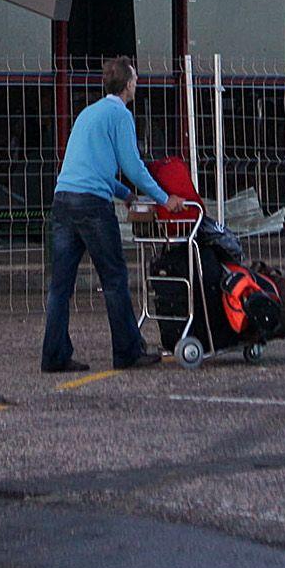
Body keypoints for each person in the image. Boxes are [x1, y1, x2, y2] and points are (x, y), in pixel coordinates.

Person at [42, 57, 169, 372]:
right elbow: (133, 166)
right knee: (114, 278)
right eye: (135, 79)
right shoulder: (121, 115)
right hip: (93, 206)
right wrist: (165, 198)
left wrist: (124, 194)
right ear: (128, 84)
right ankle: (127, 351)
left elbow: (90, 166)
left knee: (60, 285)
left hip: (63, 199)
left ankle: (54, 355)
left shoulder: (88, 113)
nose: (137, 84)